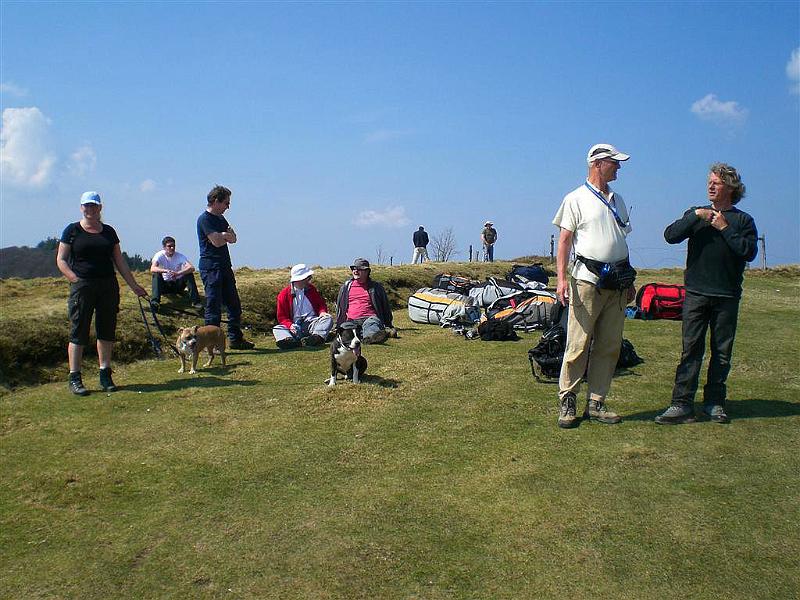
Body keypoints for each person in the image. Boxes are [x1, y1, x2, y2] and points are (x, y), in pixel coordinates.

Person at [655, 163, 758, 425]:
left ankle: (714, 403)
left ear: (731, 188)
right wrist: (695, 216)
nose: (711, 186)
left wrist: (724, 227)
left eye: (717, 182)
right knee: (690, 350)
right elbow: (670, 235)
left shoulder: (743, 221)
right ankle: (681, 405)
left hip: (726, 296)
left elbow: (748, 252)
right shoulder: (696, 214)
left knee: (722, 353)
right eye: (709, 181)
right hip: (696, 294)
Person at [551, 143, 636, 428]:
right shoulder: (575, 199)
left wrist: (630, 280)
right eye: (615, 162)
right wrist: (562, 279)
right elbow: (564, 242)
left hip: (618, 283)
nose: (619, 167)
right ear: (598, 163)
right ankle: (568, 399)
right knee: (578, 343)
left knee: (610, 344)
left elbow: (621, 240)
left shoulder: (619, 200)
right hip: (587, 281)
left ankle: (597, 401)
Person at [56, 191, 147, 396]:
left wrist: (134, 285)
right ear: (81, 207)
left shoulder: (109, 232)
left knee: (106, 330)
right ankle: (75, 377)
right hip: (83, 286)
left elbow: (119, 261)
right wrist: (73, 278)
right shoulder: (72, 231)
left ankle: (105, 373)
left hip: (108, 285)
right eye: (87, 206)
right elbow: (61, 259)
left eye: (94, 206)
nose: (90, 209)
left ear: (100, 208)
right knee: (79, 331)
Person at [196, 185, 254, 350]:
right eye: (226, 203)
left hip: (225, 266)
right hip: (211, 268)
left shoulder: (221, 220)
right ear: (216, 201)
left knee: (234, 305)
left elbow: (234, 238)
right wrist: (224, 236)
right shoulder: (204, 219)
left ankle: (235, 339)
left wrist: (224, 236)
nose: (228, 207)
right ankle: (211, 344)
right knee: (213, 306)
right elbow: (216, 241)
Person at [335, 258, 395, 344]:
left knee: (371, 325)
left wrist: (388, 324)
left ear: (367, 271)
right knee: (345, 330)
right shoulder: (345, 287)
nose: (355, 271)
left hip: (370, 318)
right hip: (351, 320)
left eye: (359, 269)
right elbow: (340, 307)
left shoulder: (376, 287)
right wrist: (338, 324)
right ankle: (378, 334)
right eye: (354, 269)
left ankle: (371, 337)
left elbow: (385, 306)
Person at [273, 264, 333, 350]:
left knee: (327, 319)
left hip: (312, 323)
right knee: (277, 328)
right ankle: (288, 341)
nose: (309, 280)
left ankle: (315, 338)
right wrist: (290, 326)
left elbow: (321, 305)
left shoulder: (312, 289)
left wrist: (322, 312)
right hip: (294, 326)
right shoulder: (283, 294)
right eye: (308, 278)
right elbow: (282, 317)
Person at [149, 236, 202, 310]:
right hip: (164, 285)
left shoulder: (179, 256)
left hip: (177, 284)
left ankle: (196, 302)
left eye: (173, 246)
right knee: (156, 274)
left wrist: (178, 273)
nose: (172, 248)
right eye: (169, 246)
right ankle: (155, 302)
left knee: (188, 274)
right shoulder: (159, 255)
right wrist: (166, 271)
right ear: (164, 247)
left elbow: (191, 268)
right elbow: (153, 268)